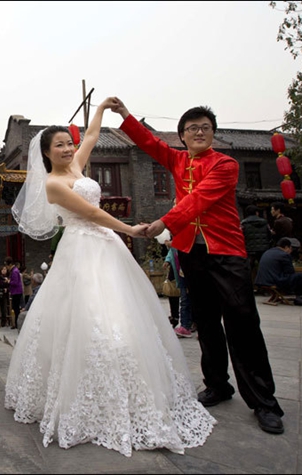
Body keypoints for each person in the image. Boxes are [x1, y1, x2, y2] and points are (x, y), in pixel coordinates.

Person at [6, 97, 215, 457]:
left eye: (68, 143)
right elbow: (90, 212)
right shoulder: (54, 184)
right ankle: (88, 393)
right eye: (60, 145)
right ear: (45, 154)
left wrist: (102, 108)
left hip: (106, 247)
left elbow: (90, 135)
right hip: (82, 247)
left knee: (122, 309)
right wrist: (129, 230)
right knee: (88, 312)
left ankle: (136, 384)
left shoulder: (77, 166)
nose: (69, 148)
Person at [112, 97, 285, 435]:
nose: (199, 133)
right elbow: (149, 142)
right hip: (191, 252)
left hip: (227, 253)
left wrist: (165, 221)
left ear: (213, 134)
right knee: (205, 321)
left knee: (243, 324)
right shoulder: (176, 160)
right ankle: (218, 385)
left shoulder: (225, 164)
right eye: (192, 129)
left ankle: (264, 402)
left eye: (205, 128)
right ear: (182, 136)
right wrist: (125, 115)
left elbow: (199, 198)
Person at [255, 238, 302, 306]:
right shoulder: (284, 255)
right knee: (301, 276)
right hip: (273, 280)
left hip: (261, 280)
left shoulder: (268, 252)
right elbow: (290, 272)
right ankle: (300, 298)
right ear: (287, 247)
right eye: (290, 249)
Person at [163, 236, 194, 337]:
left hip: (188, 272)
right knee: (184, 300)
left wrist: (173, 243)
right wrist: (167, 261)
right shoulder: (175, 236)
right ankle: (183, 323)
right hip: (180, 273)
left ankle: (187, 325)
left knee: (188, 301)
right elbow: (171, 252)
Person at [241, 205, 271, 281]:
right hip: (263, 249)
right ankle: (264, 287)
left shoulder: (244, 224)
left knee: (248, 270)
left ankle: (249, 287)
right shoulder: (264, 223)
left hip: (249, 249)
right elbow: (269, 235)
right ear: (257, 213)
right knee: (264, 269)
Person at [6, 257, 23, 330]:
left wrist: (9, 281)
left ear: (9, 264)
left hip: (16, 292)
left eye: (6, 265)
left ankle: (17, 323)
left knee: (16, 308)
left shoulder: (14, 271)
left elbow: (15, 282)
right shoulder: (14, 270)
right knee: (15, 308)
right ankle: (16, 323)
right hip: (15, 291)